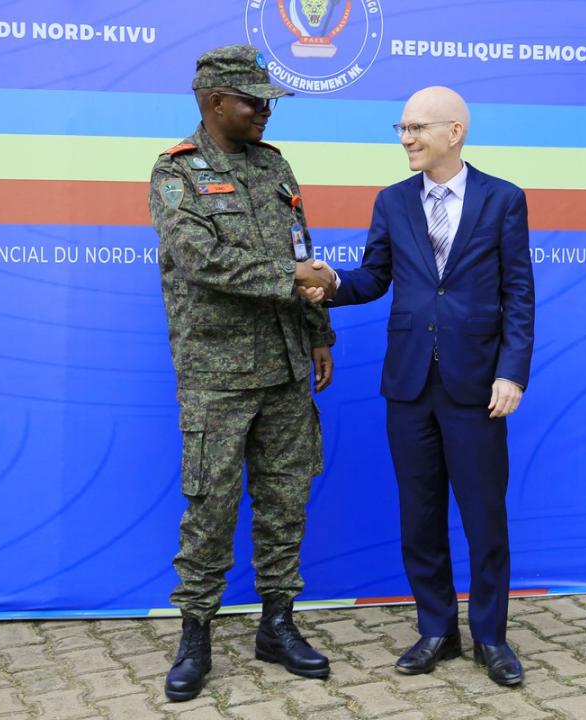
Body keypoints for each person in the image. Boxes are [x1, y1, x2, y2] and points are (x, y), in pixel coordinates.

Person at [302, 86, 534, 685]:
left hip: (478, 385)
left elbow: (518, 295)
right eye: (401, 127)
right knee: (419, 514)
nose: (405, 138)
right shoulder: (393, 201)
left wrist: (511, 371)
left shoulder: (504, 199)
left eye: (416, 128)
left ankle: (491, 638)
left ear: (454, 132)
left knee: (485, 518)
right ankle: (437, 630)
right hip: (408, 385)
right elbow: (375, 277)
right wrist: (331, 283)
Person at [148, 44, 338, 703]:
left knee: (286, 501)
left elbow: (300, 249)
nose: (264, 111)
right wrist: (293, 280)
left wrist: (318, 333)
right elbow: (204, 263)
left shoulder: (275, 166)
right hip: (219, 374)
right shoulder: (177, 174)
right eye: (252, 101)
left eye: (267, 101)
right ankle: (195, 632)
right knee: (212, 507)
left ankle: (277, 623)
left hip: (285, 365)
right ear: (213, 102)